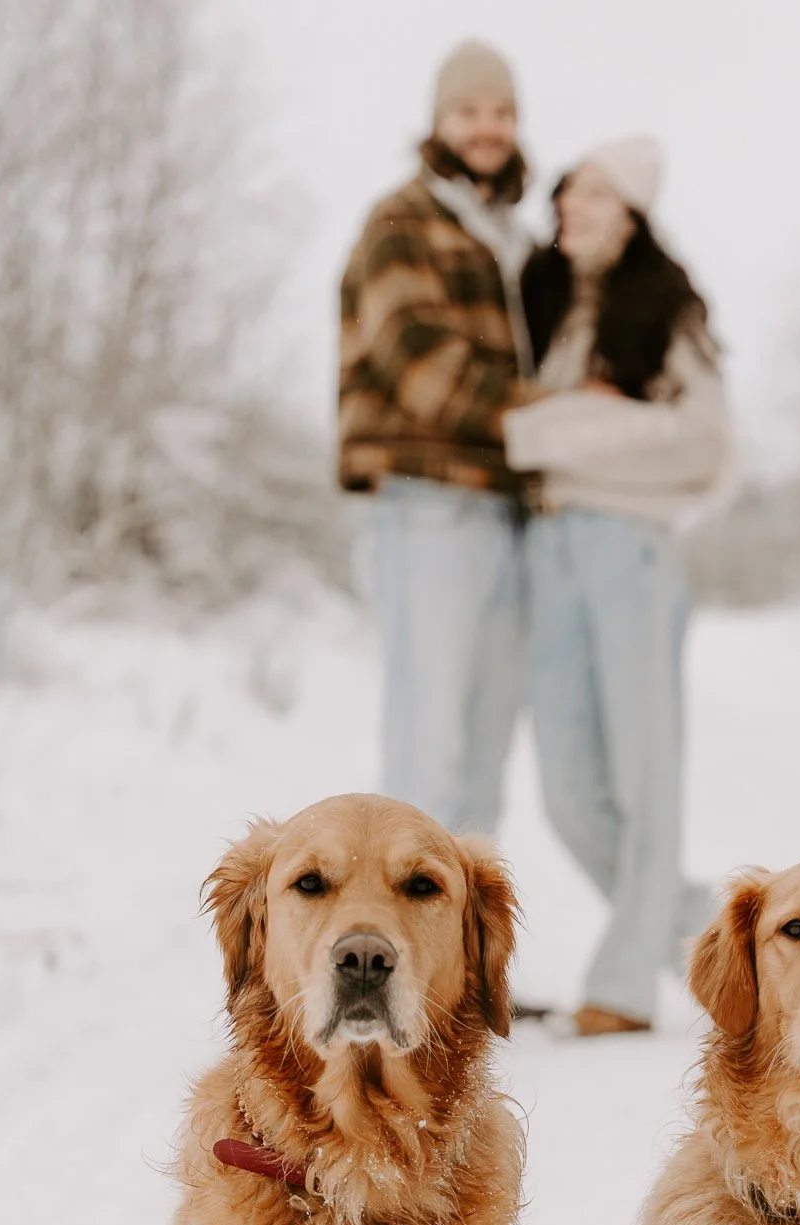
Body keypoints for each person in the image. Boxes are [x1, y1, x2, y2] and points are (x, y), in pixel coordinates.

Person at [505, 139, 731, 1037]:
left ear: (632, 211)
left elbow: (705, 444)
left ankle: (626, 984)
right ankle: (710, 938)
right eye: (569, 189)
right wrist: (574, 422)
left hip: (628, 551)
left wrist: (552, 428)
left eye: (596, 193)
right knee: (566, 789)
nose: (571, 204)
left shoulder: (666, 310)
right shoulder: (545, 302)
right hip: (547, 550)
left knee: (644, 776)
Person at [338, 41, 533, 834]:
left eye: (502, 113)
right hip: (427, 510)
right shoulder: (402, 221)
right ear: (438, 122)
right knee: (428, 752)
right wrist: (547, 419)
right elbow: (417, 361)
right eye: (469, 111)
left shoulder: (512, 238)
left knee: (486, 755)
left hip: (505, 515)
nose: (486, 128)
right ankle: (393, 946)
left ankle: (463, 957)